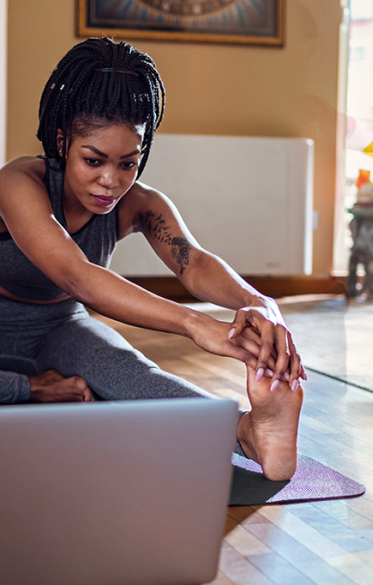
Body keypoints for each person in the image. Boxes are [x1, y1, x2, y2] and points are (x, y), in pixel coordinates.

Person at [0, 38, 305, 481]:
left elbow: (193, 263)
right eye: (93, 160)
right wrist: (195, 324)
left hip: (59, 329)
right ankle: (31, 389)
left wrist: (259, 303)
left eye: (128, 163)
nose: (110, 181)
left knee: (129, 372)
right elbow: (78, 275)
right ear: (63, 141)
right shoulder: (18, 183)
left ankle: (246, 432)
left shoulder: (140, 204)